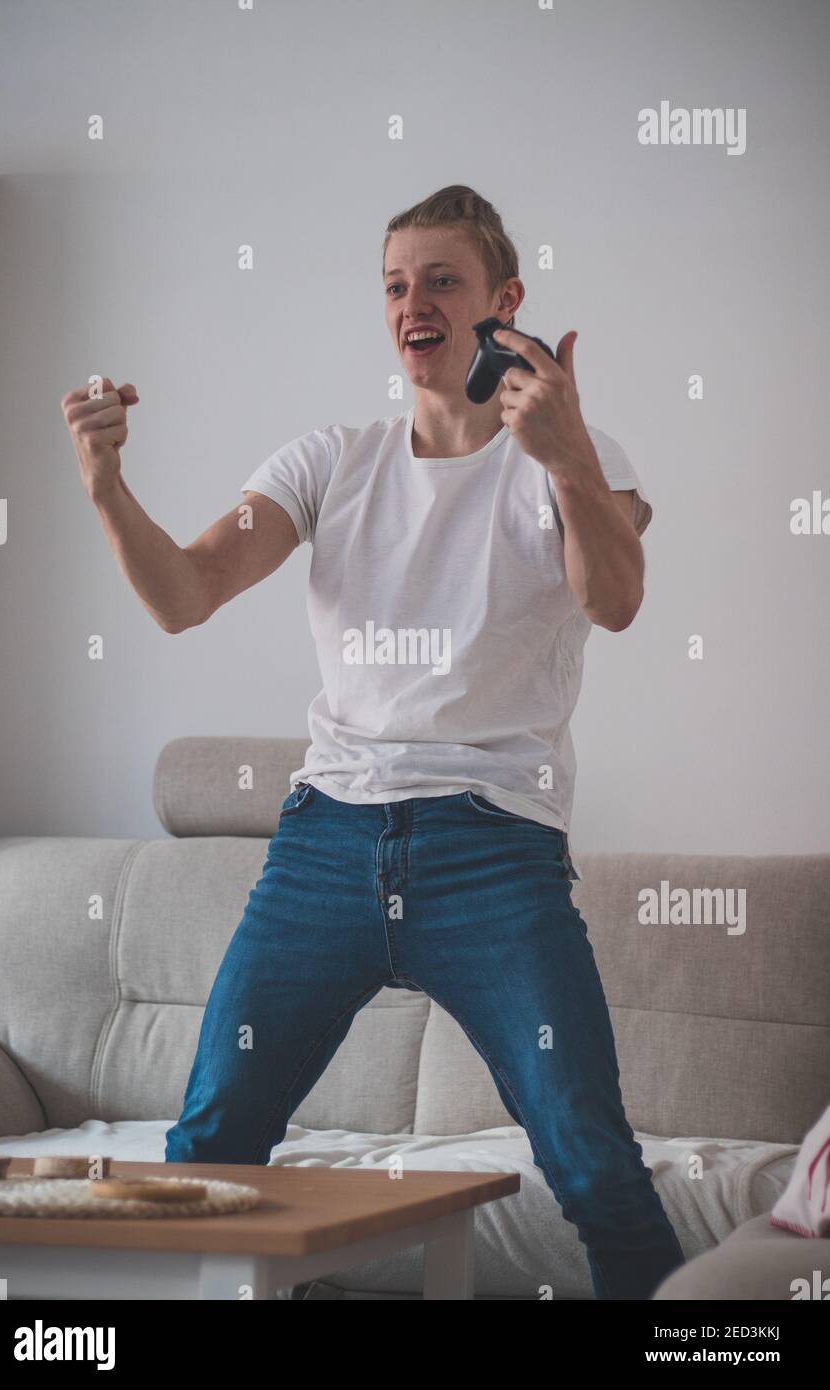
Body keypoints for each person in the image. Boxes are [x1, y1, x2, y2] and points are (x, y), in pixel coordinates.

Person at [61, 184, 685, 1299]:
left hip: (492, 853)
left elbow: (616, 599)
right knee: (210, 1147)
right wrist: (107, 488)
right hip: (325, 849)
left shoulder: (575, 452)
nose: (413, 302)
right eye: (396, 284)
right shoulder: (329, 461)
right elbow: (185, 592)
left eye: (441, 279)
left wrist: (565, 455)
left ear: (504, 303)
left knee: (591, 1158)